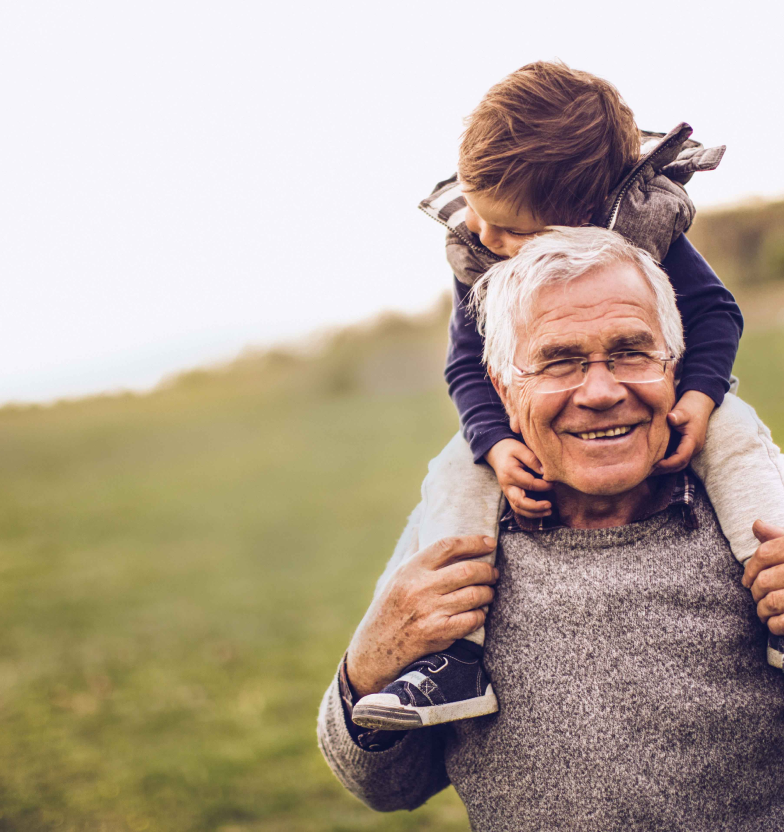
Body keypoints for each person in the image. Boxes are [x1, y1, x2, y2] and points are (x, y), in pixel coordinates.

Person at [350, 61, 784, 730]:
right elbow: (468, 363)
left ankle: (776, 591)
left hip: (673, 395)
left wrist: (698, 398)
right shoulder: (481, 244)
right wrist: (493, 444)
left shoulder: (646, 229)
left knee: (738, 438)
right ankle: (450, 663)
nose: (487, 239)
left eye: (511, 231)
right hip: (521, 424)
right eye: (480, 216)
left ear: (584, 216)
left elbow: (716, 314)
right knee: (454, 474)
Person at [318, 228, 784, 830]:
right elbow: (385, 789)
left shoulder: (767, 508)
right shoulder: (450, 535)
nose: (600, 391)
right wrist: (371, 663)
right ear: (502, 390)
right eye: (559, 361)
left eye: (631, 352)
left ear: (678, 365)